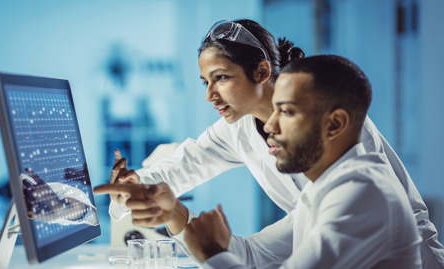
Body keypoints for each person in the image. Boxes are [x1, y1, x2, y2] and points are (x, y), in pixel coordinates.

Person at [107, 19, 444, 268]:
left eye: (221, 78)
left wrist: (210, 250)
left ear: (263, 72)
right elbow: (184, 168)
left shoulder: (353, 180)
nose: (210, 95)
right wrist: (155, 199)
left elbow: (357, 205)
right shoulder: (312, 190)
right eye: (205, 82)